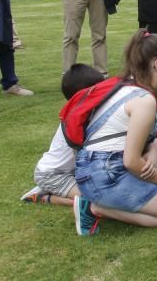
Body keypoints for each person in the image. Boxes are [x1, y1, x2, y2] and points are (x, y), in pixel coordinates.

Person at [72, 31, 157, 236]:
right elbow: (131, 161)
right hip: (104, 172)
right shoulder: (145, 100)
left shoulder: (130, 86)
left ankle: (115, 197)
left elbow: (139, 141)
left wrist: (151, 153)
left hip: (93, 165)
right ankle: (94, 208)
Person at [22, 64, 105, 206]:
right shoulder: (76, 122)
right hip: (52, 175)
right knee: (95, 199)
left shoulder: (86, 115)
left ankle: (55, 190)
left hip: (69, 172)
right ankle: (43, 196)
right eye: (99, 90)